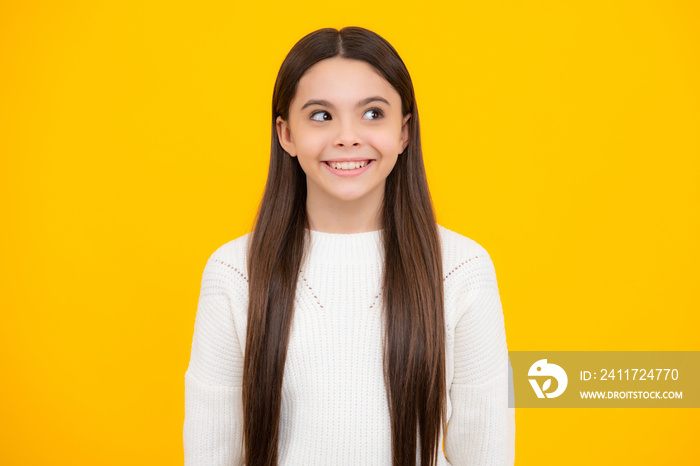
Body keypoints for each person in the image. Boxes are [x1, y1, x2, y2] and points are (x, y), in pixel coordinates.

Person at [183, 26, 515, 465]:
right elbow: (211, 455)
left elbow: (486, 453)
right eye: (321, 115)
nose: (347, 136)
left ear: (404, 132)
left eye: (373, 113)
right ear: (285, 134)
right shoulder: (233, 272)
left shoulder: (462, 269)